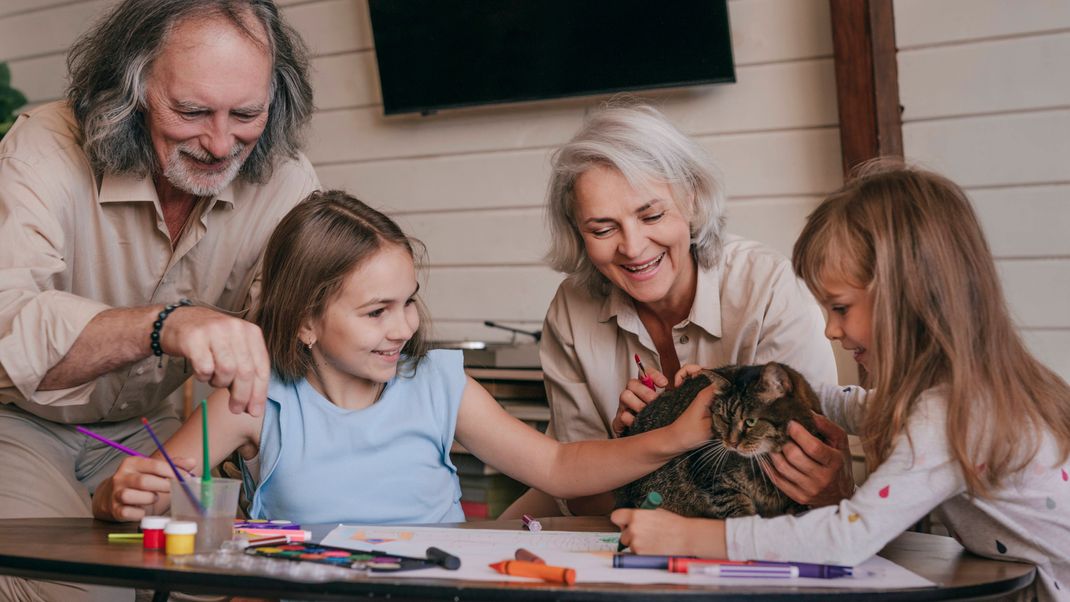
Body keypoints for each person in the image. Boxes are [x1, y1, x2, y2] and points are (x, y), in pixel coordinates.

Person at [94, 190, 716, 526]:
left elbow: (555, 466)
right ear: (306, 322)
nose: (403, 327)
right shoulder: (254, 403)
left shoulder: (439, 385)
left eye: (408, 302)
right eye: (375, 311)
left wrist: (674, 438)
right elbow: (140, 495)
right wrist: (119, 497)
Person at [611, 162, 1070, 601]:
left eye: (841, 308)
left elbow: (846, 538)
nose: (831, 330)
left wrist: (690, 534)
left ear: (907, 298)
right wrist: (745, 390)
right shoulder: (971, 391)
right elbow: (844, 405)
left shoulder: (951, 414)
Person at [0, 1, 316, 598]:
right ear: (133, 87)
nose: (222, 144)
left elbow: (300, 336)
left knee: (217, 580)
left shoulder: (286, 180)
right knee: (83, 591)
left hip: (154, 429)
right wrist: (165, 324)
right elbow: (7, 322)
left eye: (246, 113)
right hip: (16, 420)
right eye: (192, 111)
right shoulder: (42, 147)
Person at [502, 102, 848, 518]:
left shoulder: (770, 288)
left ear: (693, 199)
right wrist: (632, 444)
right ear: (578, 232)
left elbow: (812, 476)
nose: (632, 247)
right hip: (617, 512)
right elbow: (580, 495)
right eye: (602, 228)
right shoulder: (571, 310)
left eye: (652, 214)